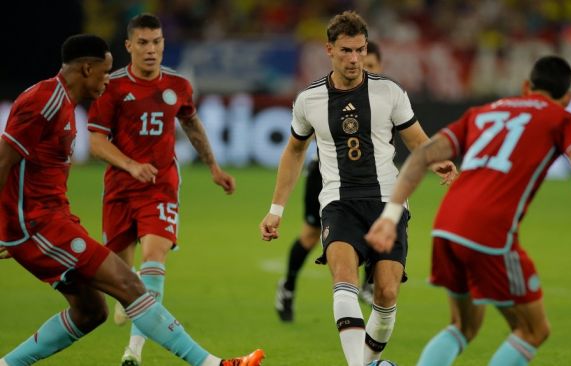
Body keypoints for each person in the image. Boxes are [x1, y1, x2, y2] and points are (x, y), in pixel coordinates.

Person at [0, 34, 264, 366]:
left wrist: (17, 231)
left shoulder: (62, 102)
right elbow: (3, 161)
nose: (107, 79)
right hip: (39, 223)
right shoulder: (45, 100)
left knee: (91, 312)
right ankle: (214, 364)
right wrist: (17, 228)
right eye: (104, 72)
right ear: (86, 68)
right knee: (129, 283)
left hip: (45, 223)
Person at [365, 55, 571, 366]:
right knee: (534, 330)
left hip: (447, 224)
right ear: (567, 98)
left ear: (526, 87)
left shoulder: (483, 112)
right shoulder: (564, 119)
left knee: (463, 326)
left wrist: (390, 216)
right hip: (488, 232)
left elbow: (422, 156)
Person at [259, 11, 455, 366]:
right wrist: (276, 210)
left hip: (388, 203)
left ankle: (366, 362)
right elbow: (294, 152)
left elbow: (417, 140)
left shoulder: (389, 91)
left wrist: (437, 159)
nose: (354, 59)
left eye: (360, 50)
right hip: (338, 201)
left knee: (387, 292)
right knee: (344, 278)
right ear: (329, 50)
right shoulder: (309, 99)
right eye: (346, 51)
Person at [86, 13, 236, 366]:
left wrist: (213, 165)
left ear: (163, 44)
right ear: (129, 46)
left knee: (154, 258)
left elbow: (191, 123)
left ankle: (133, 352)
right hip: (120, 190)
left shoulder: (179, 86)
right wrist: (130, 165)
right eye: (143, 43)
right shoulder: (113, 88)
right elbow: (95, 141)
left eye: (156, 42)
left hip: (160, 187)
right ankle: (132, 295)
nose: (151, 50)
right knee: (123, 282)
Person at [274, 40, 384, 322]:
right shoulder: (325, 96)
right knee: (310, 235)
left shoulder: (385, 97)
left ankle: (368, 284)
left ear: (379, 67)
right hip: (326, 178)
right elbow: (302, 142)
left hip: (370, 185)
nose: (361, 66)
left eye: (370, 64)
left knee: (379, 229)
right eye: (360, 60)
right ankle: (287, 286)